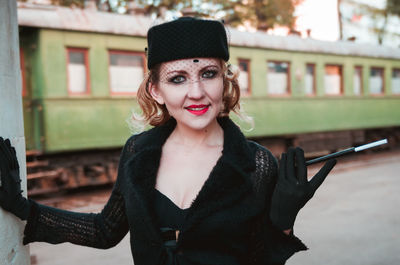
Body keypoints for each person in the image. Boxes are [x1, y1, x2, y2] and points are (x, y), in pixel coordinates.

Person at [0, 17, 336, 265]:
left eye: (208, 73)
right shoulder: (137, 152)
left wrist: (282, 223)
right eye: (178, 79)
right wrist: (22, 208)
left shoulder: (257, 163)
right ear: (156, 91)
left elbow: (261, 259)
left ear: (224, 81)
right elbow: (105, 230)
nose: (197, 92)